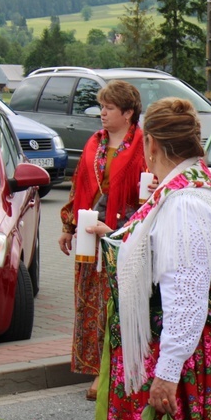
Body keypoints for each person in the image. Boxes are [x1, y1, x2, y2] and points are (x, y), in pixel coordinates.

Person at [91, 98, 211, 420]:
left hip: (174, 351)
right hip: (179, 347)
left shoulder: (184, 202)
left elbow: (187, 290)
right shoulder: (192, 186)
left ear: (154, 146)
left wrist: (167, 372)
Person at [57, 80, 146, 401]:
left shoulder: (143, 147)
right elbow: (77, 183)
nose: (102, 113)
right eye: (102, 107)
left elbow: (147, 195)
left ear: (128, 112)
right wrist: (68, 225)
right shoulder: (94, 142)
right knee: (90, 304)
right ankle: (98, 369)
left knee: (117, 305)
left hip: (121, 237)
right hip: (88, 235)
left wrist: (119, 226)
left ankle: (116, 369)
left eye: (109, 108)